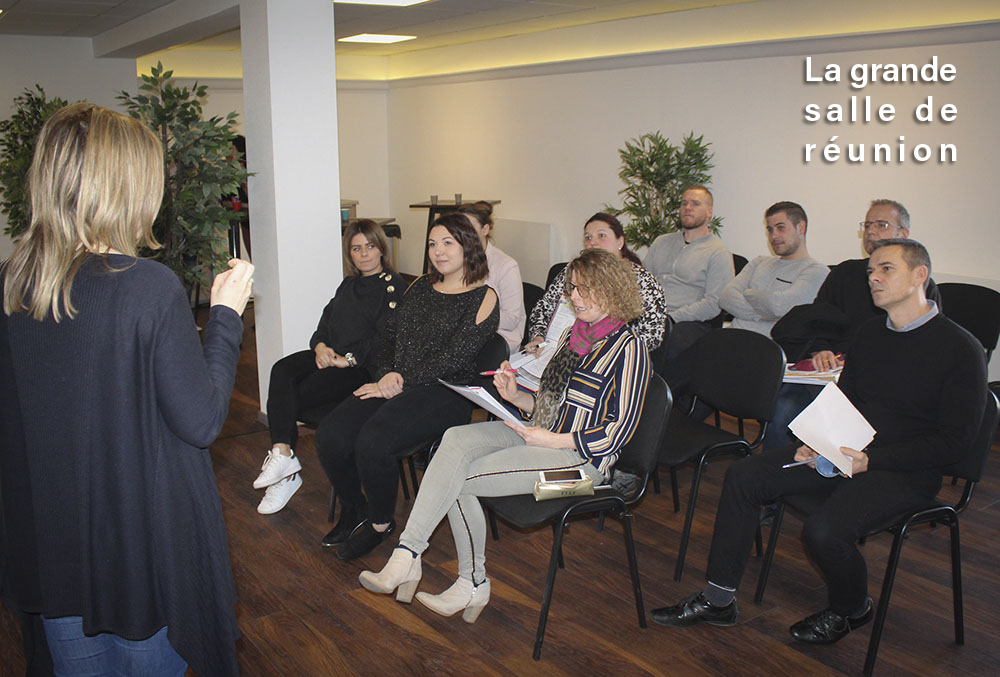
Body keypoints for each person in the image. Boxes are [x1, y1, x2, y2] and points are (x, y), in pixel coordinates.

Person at [0, 103, 252, 675]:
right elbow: (202, 420)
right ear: (127, 185)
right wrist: (226, 316)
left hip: (54, 548)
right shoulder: (146, 287)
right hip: (139, 550)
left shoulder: (15, 286)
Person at [651, 239, 986, 647]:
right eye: (870, 272)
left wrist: (870, 460)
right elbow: (847, 400)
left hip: (906, 470)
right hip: (847, 452)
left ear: (920, 276)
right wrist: (818, 439)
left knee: (824, 531)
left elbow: (955, 444)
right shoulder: (869, 334)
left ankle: (853, 608)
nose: (874, 279)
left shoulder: (960, 349)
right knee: (744, 476)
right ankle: (719, 600)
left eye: (886, 269)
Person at [357, 248, 650, 622]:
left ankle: (468, 581)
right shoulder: (575, 338)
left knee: (460, 480)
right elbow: (550, 405)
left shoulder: (629, 349)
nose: (574, 298)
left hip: (582, 474)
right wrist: (517, 398)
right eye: (572, 289)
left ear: (611, 291)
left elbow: (617, 432)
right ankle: (408, 555)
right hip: (544, 436)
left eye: (584, 290)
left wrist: (551, 440)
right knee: (455, 440)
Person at [315, 212, 499, 561]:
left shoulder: (484, 297)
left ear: (468, 246)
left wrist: (400, 382)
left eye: (448, 242)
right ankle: (356, 508)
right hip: (396, 380)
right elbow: (386, 337)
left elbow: (454, 358)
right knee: (331, 435)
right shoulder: (419, 287)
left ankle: (381, 523)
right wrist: (386, 374)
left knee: (373, 441)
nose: (438, 251)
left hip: (445, 392)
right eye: (432, 244)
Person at [765, 198, 942, 449]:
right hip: (828, 372)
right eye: (867, 224)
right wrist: (821, 349)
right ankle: (777, 476)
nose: (870, 231)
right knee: (783, 406)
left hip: (881, 382)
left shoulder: (919, 286)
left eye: (881, 224)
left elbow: (923, 347)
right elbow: (816, 319)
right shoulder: (844, 273)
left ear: (903, 235)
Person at [254, 219, 402, 514]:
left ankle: (286, 474)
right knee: (281, 369)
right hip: (331, 355)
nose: (364, 254)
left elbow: (383, 339)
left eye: (370, 247)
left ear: (382, 249)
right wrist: (321, 347)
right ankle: (282, 454)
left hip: (359, 368)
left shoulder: (393, 288)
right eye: (356, 248)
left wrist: (346, 360)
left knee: (294, 395)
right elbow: (326, 322)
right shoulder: (348, 284)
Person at [525, 212, 666, 353]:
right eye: (588, 237)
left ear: (620, 242)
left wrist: (611, 351)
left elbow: (652, 335)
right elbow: (542, 309)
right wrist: (538, 337)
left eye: (601, 235)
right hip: (560, 350)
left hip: (614, 357)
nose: (592, 242)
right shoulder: (572, 271)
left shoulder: (643, 281)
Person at [643, 185, 733, 387]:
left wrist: (672, 317)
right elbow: (644, 284)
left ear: (709, 212)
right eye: (684, 203)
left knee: (665, 350)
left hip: (688, 322)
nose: (687, 207)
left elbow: (714, 303)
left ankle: (656, 406)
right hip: (652, 316)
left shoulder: (718, 252)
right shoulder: (661, 242)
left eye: (695, 203)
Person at [719, 201, 829, 336]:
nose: (773, 236)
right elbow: (726, 297)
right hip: (729, 337)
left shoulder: (817, 271)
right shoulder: (759, 262)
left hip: (767, 348)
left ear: (801, 228)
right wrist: (759, 316)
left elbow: (780, 306)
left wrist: (748, 293)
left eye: (780, 228)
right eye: (770, 229)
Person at [459, 201, 525, 352]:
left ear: (485, 229)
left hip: (499, 339)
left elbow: (511, 320)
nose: (463, 234)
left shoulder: (506, 266)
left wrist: (471, 316)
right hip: (466, 334)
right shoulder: (455, 260)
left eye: (469, 228)